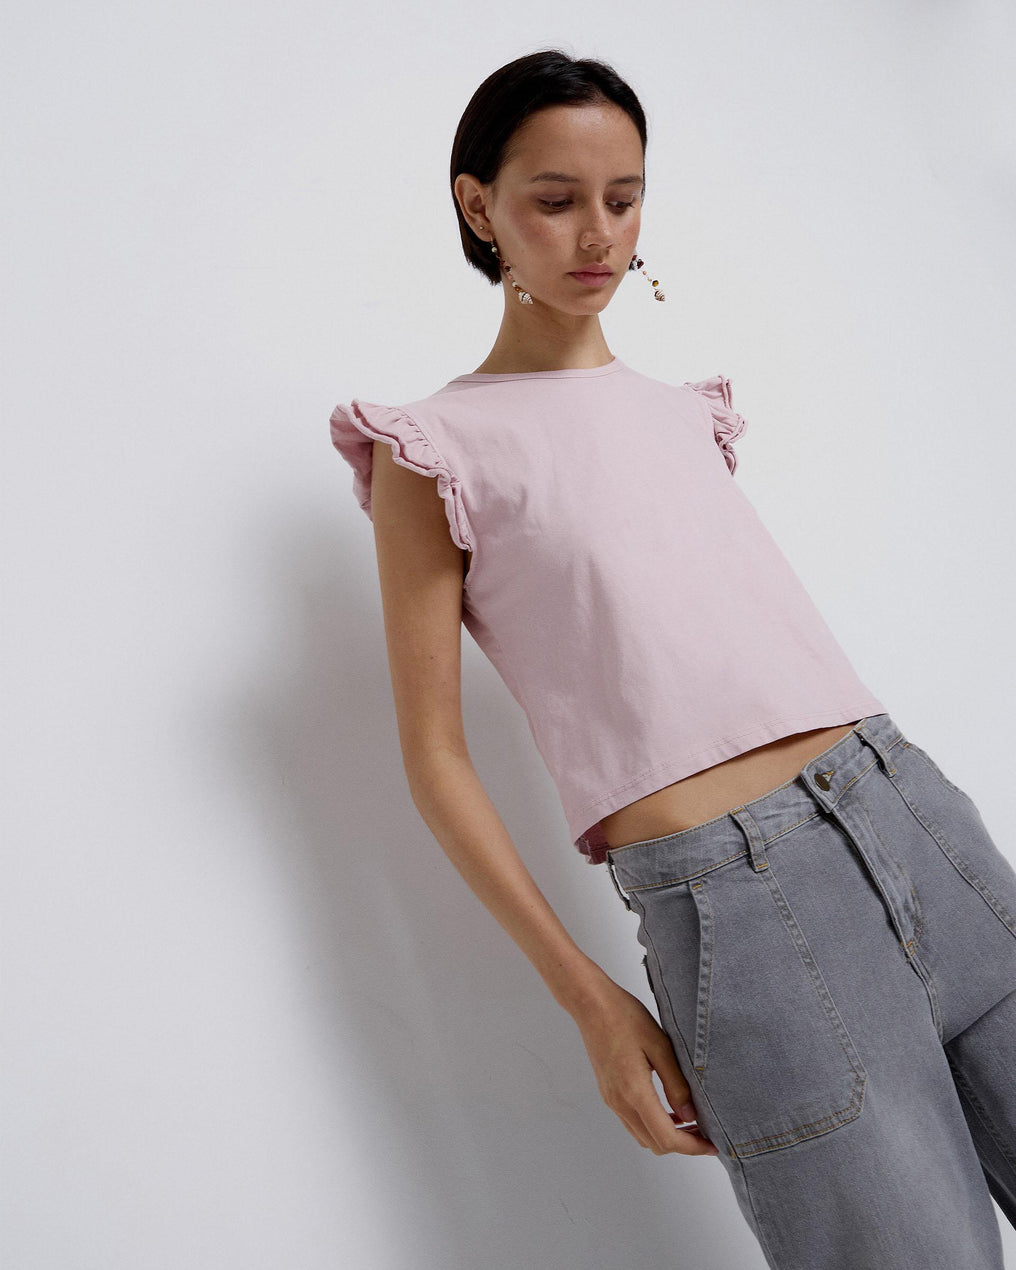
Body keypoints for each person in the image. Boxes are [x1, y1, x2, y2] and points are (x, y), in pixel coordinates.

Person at [328, 48, 1016, 1270]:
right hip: (747, 912)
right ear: (477, 204)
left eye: (623, 196)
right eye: (554, 199)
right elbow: (434, 757)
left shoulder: (681, 411)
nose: (596, 234)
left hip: (912, 818)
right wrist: (588, 999)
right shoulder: (436, 450)